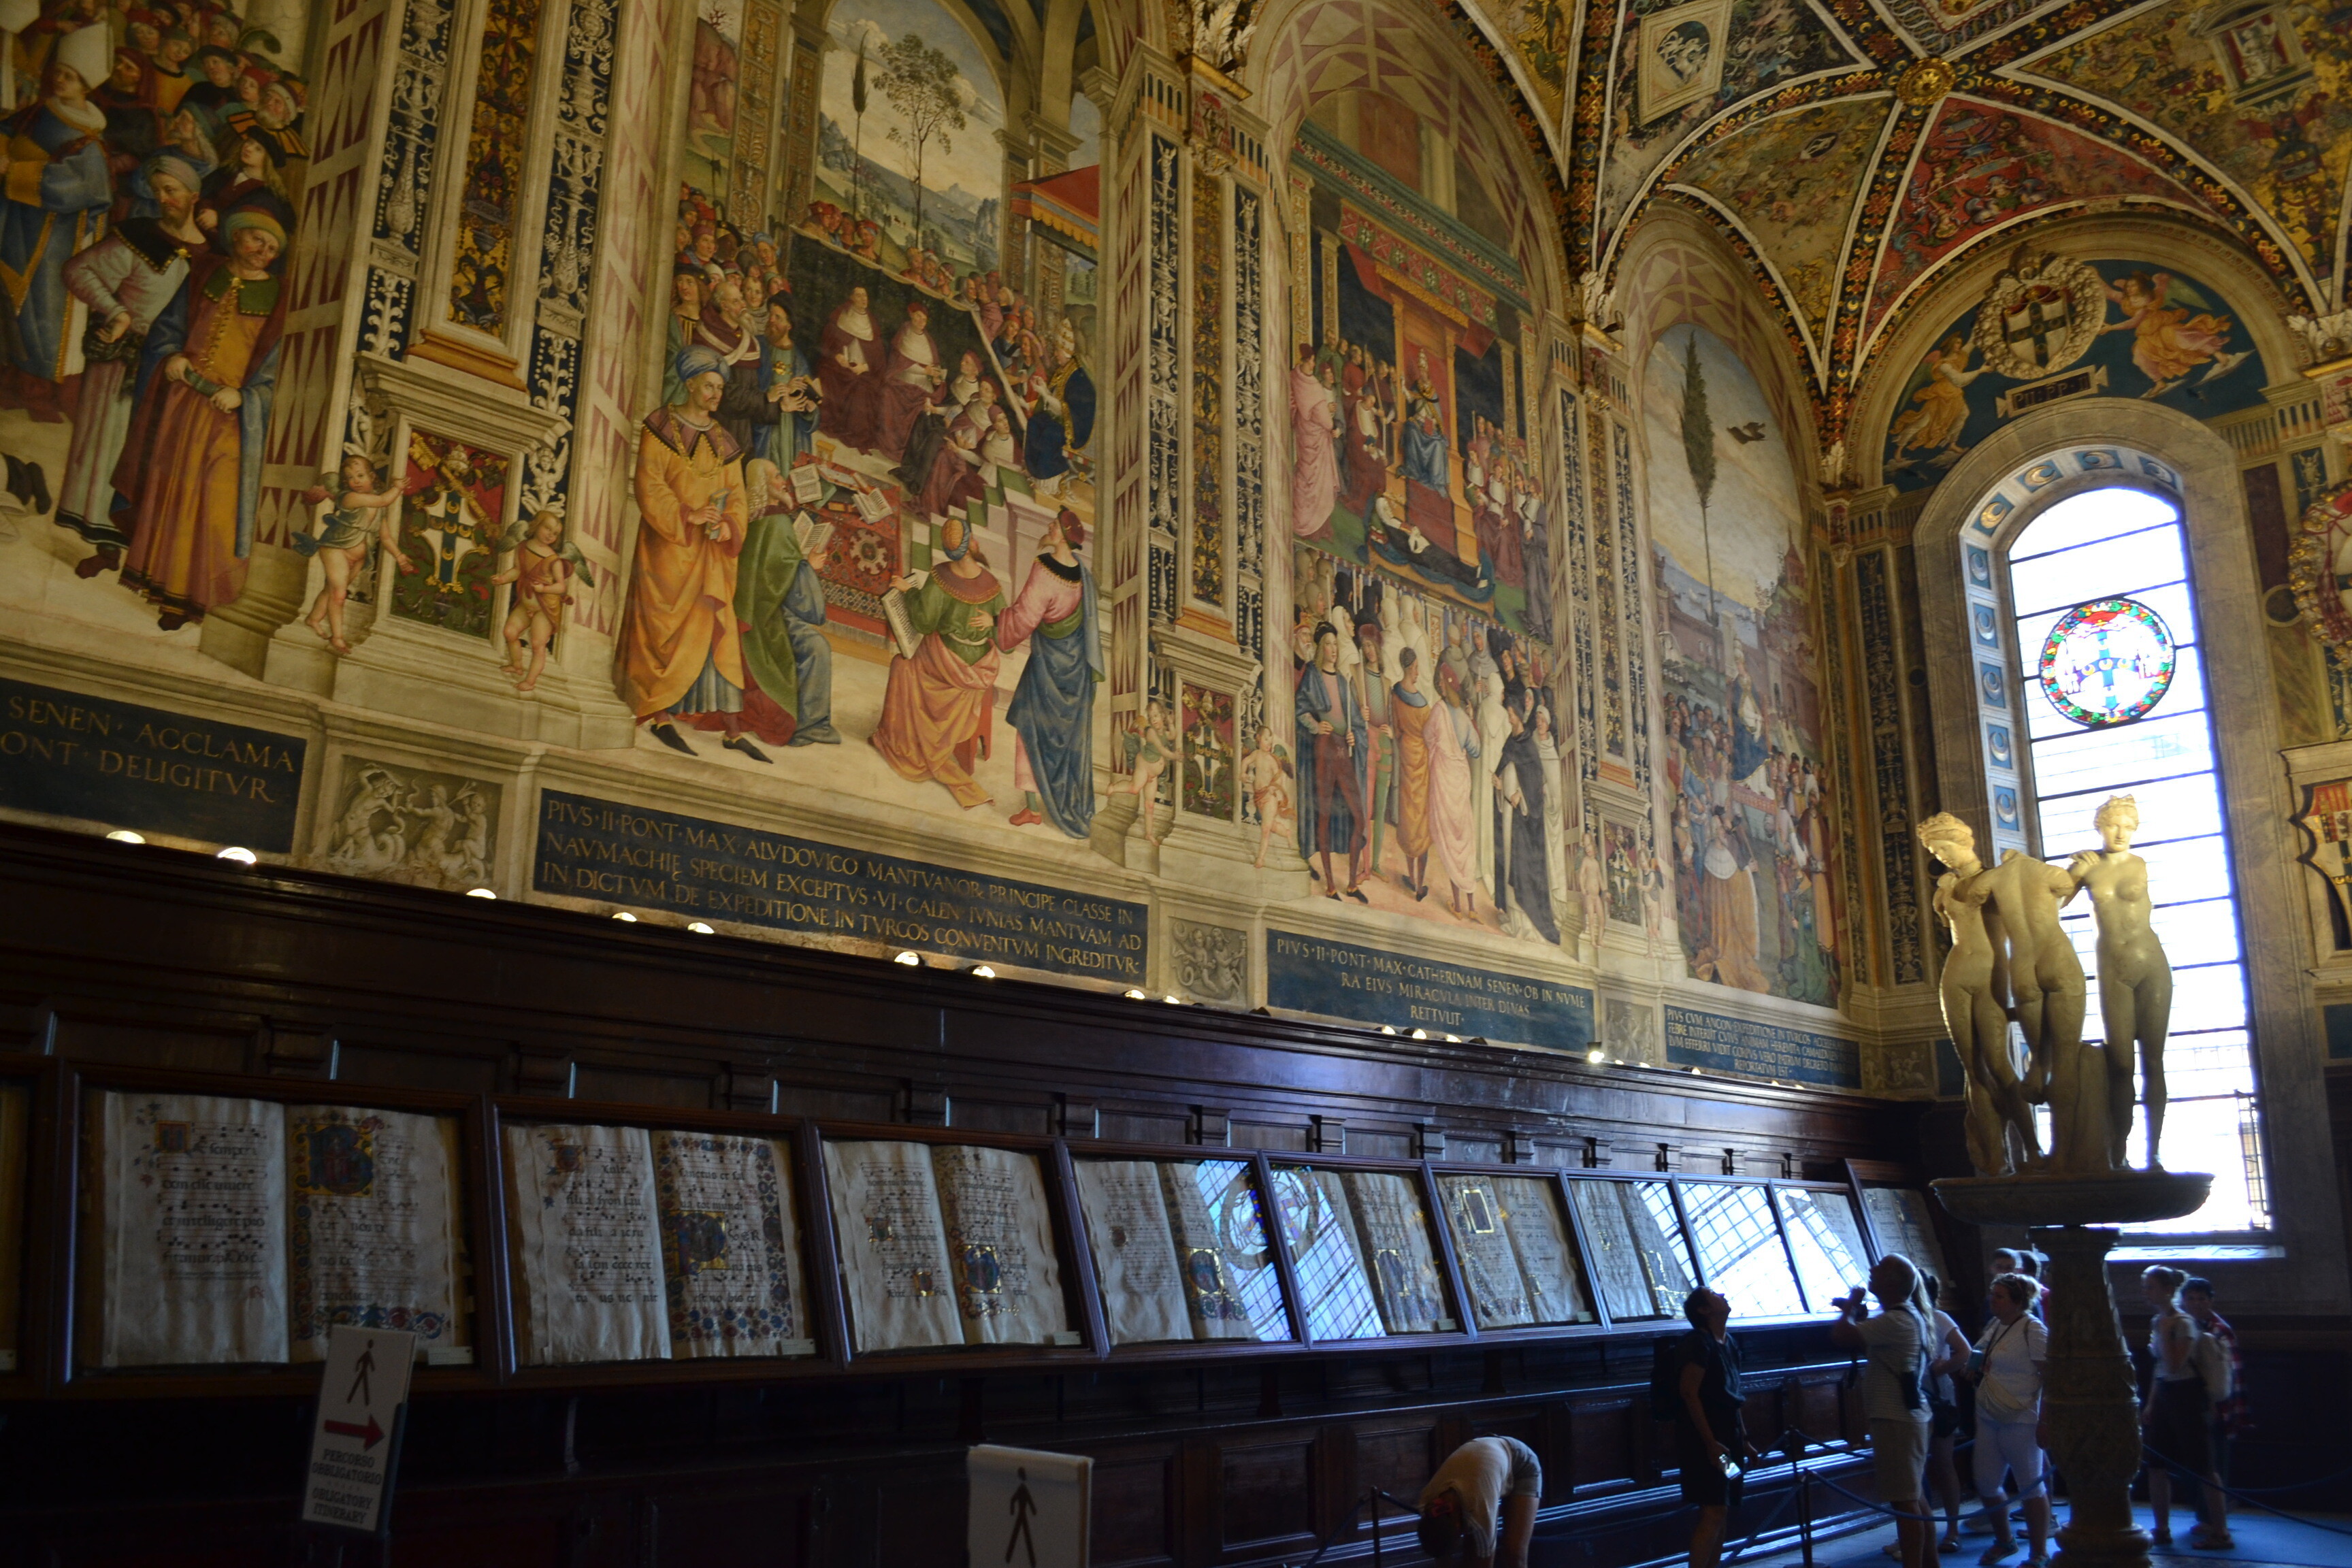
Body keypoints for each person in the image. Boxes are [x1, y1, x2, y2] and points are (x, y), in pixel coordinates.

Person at [110, 207, 288, 631]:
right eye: (257, 240)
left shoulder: (280, 298)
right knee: (171, 490)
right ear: (236, 236)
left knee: (215, 503)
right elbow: (168, 328)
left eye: (271, 248)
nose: (262, 251)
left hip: (230, 416)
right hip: (182, 401)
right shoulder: (206, 274)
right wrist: (170, 354)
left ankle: (200, 596)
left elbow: (281, 370)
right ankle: (164, 589)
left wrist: (246, 396)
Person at [55, 151, 206, 567]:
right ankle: (106, 545)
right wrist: (116, 311)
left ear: (194, 196)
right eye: (158, 191)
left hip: (173, 369)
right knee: (110, 451)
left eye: (171, 190)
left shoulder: (212, 255)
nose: (164, 199)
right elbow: (77, 271)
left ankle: (142, 552)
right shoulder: (140, 238)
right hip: (124, 362)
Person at [615, 344, 753, 760]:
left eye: (720, 389)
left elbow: (738, 496)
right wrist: (687, 515)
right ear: (690, 384)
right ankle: (659, 714)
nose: (715, 395)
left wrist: (727, 524)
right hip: (668, 549)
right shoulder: (659, 426)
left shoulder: (725, 441)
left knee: (713, 627)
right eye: (709, 386)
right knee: (661, 630)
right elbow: (649, 483)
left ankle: (727, 725)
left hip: (709, 555)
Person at [872, 514, 1006, 808]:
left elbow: (923, 622)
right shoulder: (992, 584)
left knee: (903, 667)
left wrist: (909, 592)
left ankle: (907, 741)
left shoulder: (942, 577)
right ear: (972, 544)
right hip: (980, 666)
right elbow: (1006, 635)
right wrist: (994, 622)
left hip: (946, 664)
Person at [996, 508, 1100, 837]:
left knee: (1029, 725)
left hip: (1046, 667)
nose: (1050, 526)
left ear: (1064, 535)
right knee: (1065, 739)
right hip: (1074, 671)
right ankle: (1064, 800)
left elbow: (1024, 619)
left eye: (1056, 525)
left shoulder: (1044, 569)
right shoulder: (1082, 575)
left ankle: (1032, 808)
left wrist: (997, 625)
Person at [1831, 1254, 1936, 1568]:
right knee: (1914, 1498)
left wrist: (1851, 1306)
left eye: (1878, 1268)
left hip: (1896, 1420)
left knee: (1905, 1503)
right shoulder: (1906, 1315)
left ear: (1890, 1283)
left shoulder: (1896, 1320)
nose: (1871, 1270)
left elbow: (1841, 1335)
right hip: (1905, 1417)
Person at [1964, 1273, 2050, 1568]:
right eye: (1993, 1294)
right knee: (1986, 1482)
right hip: (1988, 1413)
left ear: (2017, 1301)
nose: (1993, 1300)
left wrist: (2046, 1419)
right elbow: (1979, 1352)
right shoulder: (1995, 1325)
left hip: (2020, 1418)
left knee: (2030, 1486)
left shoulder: (2032, 1329)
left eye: (2000, 1296)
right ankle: (2004, 1540)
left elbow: (2050, 1377)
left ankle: (2039, 1553)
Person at [2142, 1265, 2230, 1549]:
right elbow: (2160, 1369)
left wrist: (2167, 1333)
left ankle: (2220, 1532)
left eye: (2151, 1287)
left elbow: (2174, 1364)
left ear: (2168, 1290)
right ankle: (2161, 1528)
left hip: (2187, 1396)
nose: (2146, 1293)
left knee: (2204, 1466)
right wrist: (2151, 1404)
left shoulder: (2183, 1323)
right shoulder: (2159, 1321)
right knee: (2156, 1465)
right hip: (2166, 1394)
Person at [1674, 1287, 1760, 1568]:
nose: (1722, 1294)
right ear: (1704, 1310)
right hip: (1707, 1441)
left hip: (1729, 1439)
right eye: (1713, 1294)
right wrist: (1710, 1443)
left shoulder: (1729, 1342)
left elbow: (1733, 1397)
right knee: (1712, 1509)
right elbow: (1689, 1393)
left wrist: (1744, 1440)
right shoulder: (1698, 1343)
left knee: (1723, 1507)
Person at [294, 454, 411, 653]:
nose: (355, 481)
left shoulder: (376, 506)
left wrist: (399, 556)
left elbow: (385, 537)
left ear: (372, 476)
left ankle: (313, 619)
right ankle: (337, 638)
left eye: (360, 475)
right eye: (350, 478)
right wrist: (398, 488)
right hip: (336, 548)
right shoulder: (350, 498)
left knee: (331, 590)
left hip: (359, 556)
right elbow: (384, 500)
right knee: (339, 595)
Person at [1296, 623, 1369, 900]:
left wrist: (1353, 735)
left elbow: (1355, 720)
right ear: (1320, 648)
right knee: (1324, 815)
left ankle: (1351, 884)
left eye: (1336, 644)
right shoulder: (1312, 675)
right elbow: (1300, 710)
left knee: (1358, 818)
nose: (1334, 649)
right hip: (1325, 749)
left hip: (1342, 750)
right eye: (1328, 644)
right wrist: (1316, 726)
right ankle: (1330, 885)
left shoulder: (1343, 681)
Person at [1416, 1435, 1541, 1568]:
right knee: (1470, 1558)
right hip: (1485, 1462)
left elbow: (1486, 1562)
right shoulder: (1427, 1504)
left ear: (1458, 1525)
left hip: (1521, 1463)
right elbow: (1441, 1554)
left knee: (1514, 1554)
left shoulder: (1480, 1511)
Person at [1921, 1273, 1972, 1555]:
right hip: (1914, 1397)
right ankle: (1917, 1530)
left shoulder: (1938, 1318)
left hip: (1938, 1397)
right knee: (1915, 1468)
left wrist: (1943, 1367)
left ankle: (1952, 1530)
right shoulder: (1904, 1317)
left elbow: (1964, 1351)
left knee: (1943, 1462)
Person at [2180, 1277, 2247, 1451]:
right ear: (2184, 1301)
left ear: (2210, 1301)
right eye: (2191, 1299)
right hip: (2188, 1402)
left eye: (2201, 1299)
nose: (2196, 1304)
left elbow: (2232, 1374)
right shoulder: (2181, 1327)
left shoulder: (2220, 1331)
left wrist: (2224, 1407)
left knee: (2214, 1454)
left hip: (2215, 1405)